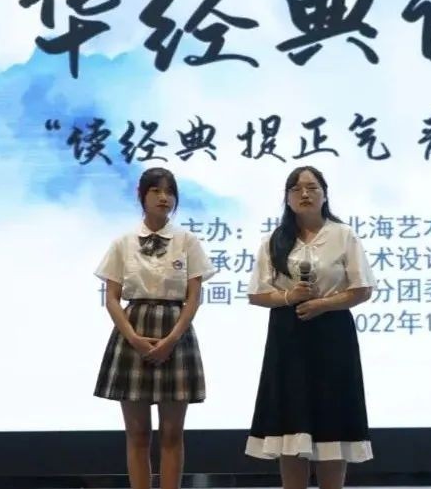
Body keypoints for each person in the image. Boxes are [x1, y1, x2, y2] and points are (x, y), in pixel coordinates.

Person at [246, 165, 375, 489]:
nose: (305, 194)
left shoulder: (343, 235)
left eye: (312, 187)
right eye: (297, 189)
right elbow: (257, 295)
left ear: (324, 195)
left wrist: (323, 304)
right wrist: (289, 296)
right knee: (290, 424)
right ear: (287, 198)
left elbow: (362, 289)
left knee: (333, 419)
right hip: (288, 337)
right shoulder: (274, 240)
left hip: (333, 335)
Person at [93, 167, 216, 489]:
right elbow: (111, 298)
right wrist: (133, 338)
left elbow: (194, 297)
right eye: (156, 191)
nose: (164, 197)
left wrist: (172, 339)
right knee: (137, 433)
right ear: (141, 195)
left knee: (172, 433)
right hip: (132, 330)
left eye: (170, 191)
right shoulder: (123, 242)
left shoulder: (187, 241)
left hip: (176, 332)